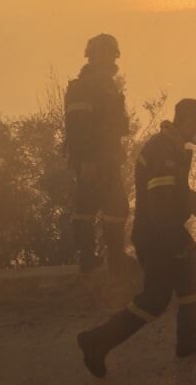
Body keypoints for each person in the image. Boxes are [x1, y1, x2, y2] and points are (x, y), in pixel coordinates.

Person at [76, 98, 196, 377]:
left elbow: (170, 193)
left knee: (195, 281)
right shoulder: (163, 150)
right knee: (155, 297)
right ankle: (96, 340)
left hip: (162, 231)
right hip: (158, 234)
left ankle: (189, 339)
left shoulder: (174, 148)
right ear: (188, 120)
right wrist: (174, 242)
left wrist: (189, 199)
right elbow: (160, 202)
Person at [63, 33, 133, 274]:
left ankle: (97, 258)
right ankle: (107, 258)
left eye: (110, 54)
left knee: (98, 206)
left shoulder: (105, 85)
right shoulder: (84, 87)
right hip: (95, 159)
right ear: (92, 57)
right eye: (103, 54)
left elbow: (115, 124)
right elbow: (78, 127)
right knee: (105, 207)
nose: (109, 59)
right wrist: (87, 161)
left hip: (107, 157)